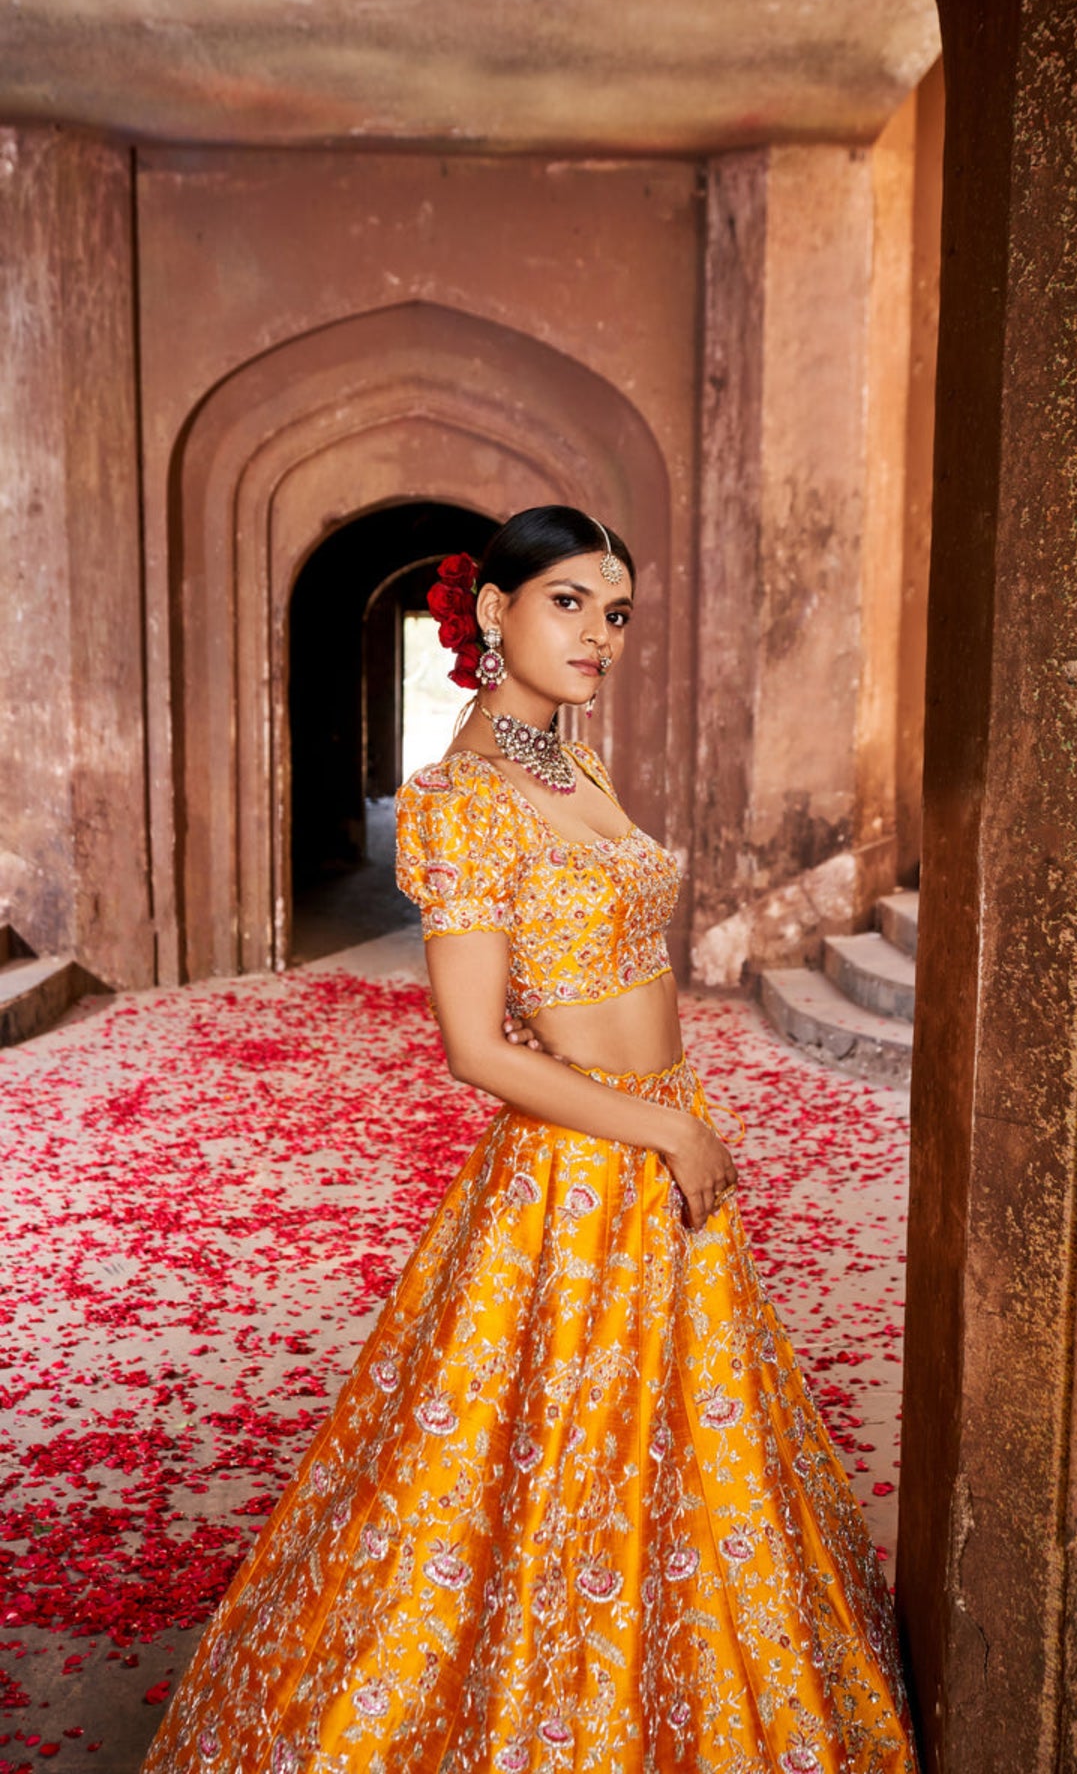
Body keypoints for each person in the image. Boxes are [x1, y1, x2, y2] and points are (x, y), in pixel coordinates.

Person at [141, 505, 916, 1773]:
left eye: (614, 612)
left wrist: (675, 1121)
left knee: (676, 1450)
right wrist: (660, 1129)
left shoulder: (577, 765)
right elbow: (479, 1051)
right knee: (539, 1464)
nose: (599, 634)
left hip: (661, 1129)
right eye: (568, 603)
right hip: (580, 1157)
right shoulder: (469, 801)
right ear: (495, 612)